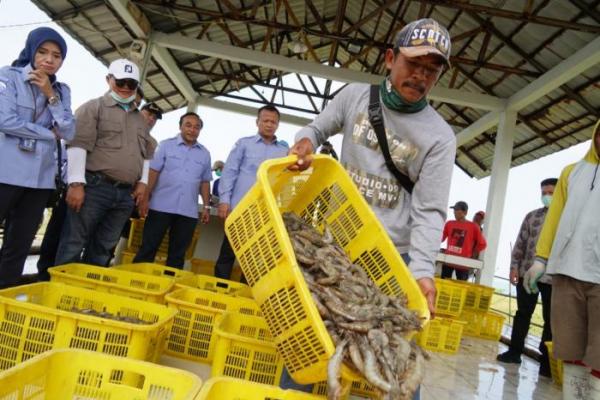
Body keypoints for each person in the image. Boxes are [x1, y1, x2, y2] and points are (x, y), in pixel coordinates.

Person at [289, 18, 454, 397]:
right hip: (333, 248)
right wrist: (304, 143)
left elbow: (429, 211)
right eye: (413, 64)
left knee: (394, 352)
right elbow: (316, 129)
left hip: (392, 259)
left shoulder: (440, 137)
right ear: (389, 58)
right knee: (309, 339)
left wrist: (424, 270)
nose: (420, 77)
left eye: (430, 71)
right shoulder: (355, 97)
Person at [55, 58, 156, 267]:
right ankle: (60, 291)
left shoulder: (140, 119)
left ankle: (88, 292)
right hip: (94, 187)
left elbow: (146, 153)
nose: (126, 88)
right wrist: (76, 184)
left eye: (132, 84)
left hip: (125, 194)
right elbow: (77, 146)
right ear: (108, 80)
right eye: (121, 82)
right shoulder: (93, 108)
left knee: (104, 247)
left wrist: (143, 182)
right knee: (74, 242)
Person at [525, 122, 600, 400]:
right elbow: (554, 218)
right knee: (569, 347)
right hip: (567, 273)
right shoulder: (571, 173)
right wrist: (540, 259)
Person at [0, 27, 74, 288]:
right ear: (32, 51)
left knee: (18, 246)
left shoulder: (61, 92)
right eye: (43, 52)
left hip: (39, 182)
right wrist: (47, 133)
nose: (49, 59)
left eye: (56, 55)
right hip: (5, 173)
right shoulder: (8, 77)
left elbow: (68, 130)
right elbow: (5, 120)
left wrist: (49, 95)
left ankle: (3, 299)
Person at [215, 104, 289, 280]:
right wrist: (224, 201)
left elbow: (286, 182)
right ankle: (219, 287)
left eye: (273, 122)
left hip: (264, 213)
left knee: (255, 258)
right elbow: (229, 172)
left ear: (278, 124)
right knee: (228, 251)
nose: (269, 124)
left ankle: (244, 292)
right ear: (257, 122)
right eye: (265, 121)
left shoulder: (284, 152)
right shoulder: (243, 144)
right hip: (239, 209)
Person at [496, 178, 557, 378]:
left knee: (551, 320)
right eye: (544, 192)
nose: (547, 196)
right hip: (526, 273)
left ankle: (547, 363)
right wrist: (514, 267)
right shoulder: (532, 216)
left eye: (551, 192)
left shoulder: (565, 218)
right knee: (523, 314)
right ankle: (514, 352)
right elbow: (521, 243)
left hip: (553, 278)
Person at [133, 112, 211, 268]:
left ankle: (168, 287)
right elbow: (153, 173)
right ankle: (136, 281)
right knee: (148, 248)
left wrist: (207, 206)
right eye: (188, 125)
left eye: (196, 127)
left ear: (200, 130)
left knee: (177, 255)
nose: (192, 130)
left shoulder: (204, 153)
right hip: (160, 207)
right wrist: (145, 199)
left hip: (187, 212)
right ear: (180, 126)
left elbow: (204, 181)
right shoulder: (165, 145)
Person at [441, 201, 487, 281]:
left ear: (465, 212)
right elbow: (441, 238)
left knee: (461, 288)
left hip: (464, 263)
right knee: (444, 284)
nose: (454, 212)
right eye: (454, 210)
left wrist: (473, 254)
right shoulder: (449, 223)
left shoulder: (473, 227)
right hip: (448, 260)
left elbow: (482, 244)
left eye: (457, 210)